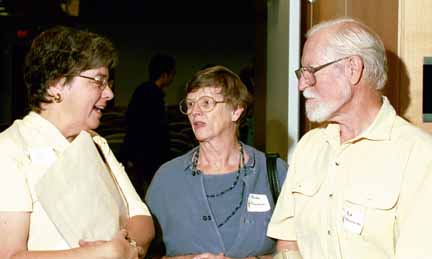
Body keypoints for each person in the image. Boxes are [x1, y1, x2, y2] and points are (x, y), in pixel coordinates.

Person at [267, 17, 432, 259]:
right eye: (302, 73)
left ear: (352, 69)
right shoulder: (309, 147)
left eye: (310, 71)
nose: (302, 84)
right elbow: (288, 241)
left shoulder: (419, 154)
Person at [0, 26, 154, 259]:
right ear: (56, 84)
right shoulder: (10, 149)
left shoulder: (96, 143)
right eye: (99, 81)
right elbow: (9, 255)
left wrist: (126, 247)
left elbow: (142, 220)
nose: (110, 94)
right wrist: (100, 254)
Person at [145, 65, 288, 259]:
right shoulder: (167, 178)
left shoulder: (275, 173)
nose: (194, 112)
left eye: (206, 103)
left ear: (236, 111)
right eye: (189, 104)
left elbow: (300, 248)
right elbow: (143, 253)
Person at [120, 53, 176, 198]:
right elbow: (153, 130)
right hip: (146, 156)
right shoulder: (153, 95)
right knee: (146, 195)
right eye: (172, 74)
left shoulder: (143, 90)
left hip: (141, 155)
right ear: (165, 75)